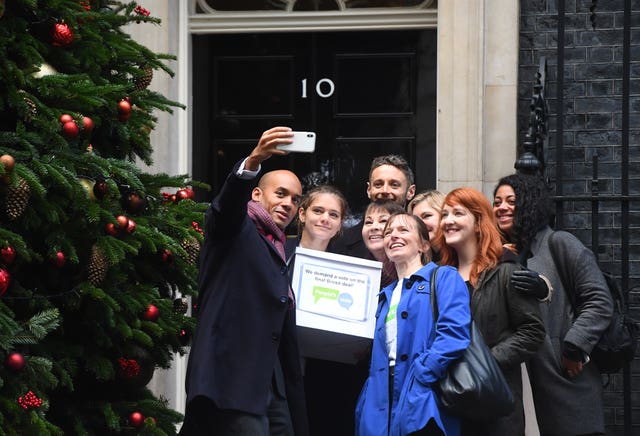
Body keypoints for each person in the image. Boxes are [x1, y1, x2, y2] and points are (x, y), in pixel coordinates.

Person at [181, 126, 309, 436]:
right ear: (257, 193)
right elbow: (226, 207)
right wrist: (253, 162)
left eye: (295, 199)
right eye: (280, 194)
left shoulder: (280, 247)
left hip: (272, 388)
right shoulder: (234, 229)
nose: (288, 203)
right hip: (231, 382)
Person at [493, 174, 614, 436]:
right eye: (497, 201)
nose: (501, 207)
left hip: (568, 373)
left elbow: (599, 300)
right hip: (530, 379)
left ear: (530, 203)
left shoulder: (560, 242)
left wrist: (573, 348)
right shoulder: (510, 253)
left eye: (511, 201)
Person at [436, 187, 545, 436]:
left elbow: (532, 332)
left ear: (478, 222)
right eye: (444, 214)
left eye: (458, 213)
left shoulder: (506, 271)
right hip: (449, 401)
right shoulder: (438, 277)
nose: (448, 221)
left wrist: (485, 362)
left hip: (494, 401)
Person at [356, 212, 471, 436]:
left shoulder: (444, 276)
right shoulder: (383, 295)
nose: (393, 236)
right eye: (388, 232)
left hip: (424, 395)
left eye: (403, 230)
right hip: (381, 404)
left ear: (424, 246)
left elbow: (454, 334)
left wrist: (421, 375)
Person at [332, 154, 416, 258]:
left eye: (394, 185)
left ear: (410, 192)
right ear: (369, 190)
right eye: (378, 184)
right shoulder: (341, 242)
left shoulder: (423, 239)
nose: (385, 191)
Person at [361, 200, 406, 288]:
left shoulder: (410, 272)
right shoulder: (358, 271)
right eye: (368, 222)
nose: (374, 227)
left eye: (383, 221)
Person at [407, 190, 446, 261]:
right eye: (416, 219)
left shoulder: (461, 255)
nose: (420, 223)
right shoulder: (419, 260)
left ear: (444, 215)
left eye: (426, 216)